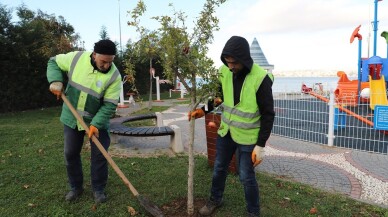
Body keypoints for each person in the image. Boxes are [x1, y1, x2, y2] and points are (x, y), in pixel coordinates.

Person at [190, 36, 275, 216]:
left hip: (248, 137)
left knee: (246, 176)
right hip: (226, 132)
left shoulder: (261, 78)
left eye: (234, 62)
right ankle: (215, 200)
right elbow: (219, 97)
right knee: (219, 168)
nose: (231, 66)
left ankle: (253, 212)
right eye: (227, 62)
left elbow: (268, 115)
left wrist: (260, 145)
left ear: (244, 59)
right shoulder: (224, 71)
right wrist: (204, 111)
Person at [46, 39, 122, 203]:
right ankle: (76, 187)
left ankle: (99, 189)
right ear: (94, 55)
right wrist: (55, 81)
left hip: (97, 121)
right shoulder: (76, 58)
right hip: (71, 118)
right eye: (103, 61)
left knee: (100, 156)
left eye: (110, 62)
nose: (107, 66)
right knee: (71, 153)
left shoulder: (114, 76)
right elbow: (53, 62)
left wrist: (96, 124)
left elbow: (109, 105)